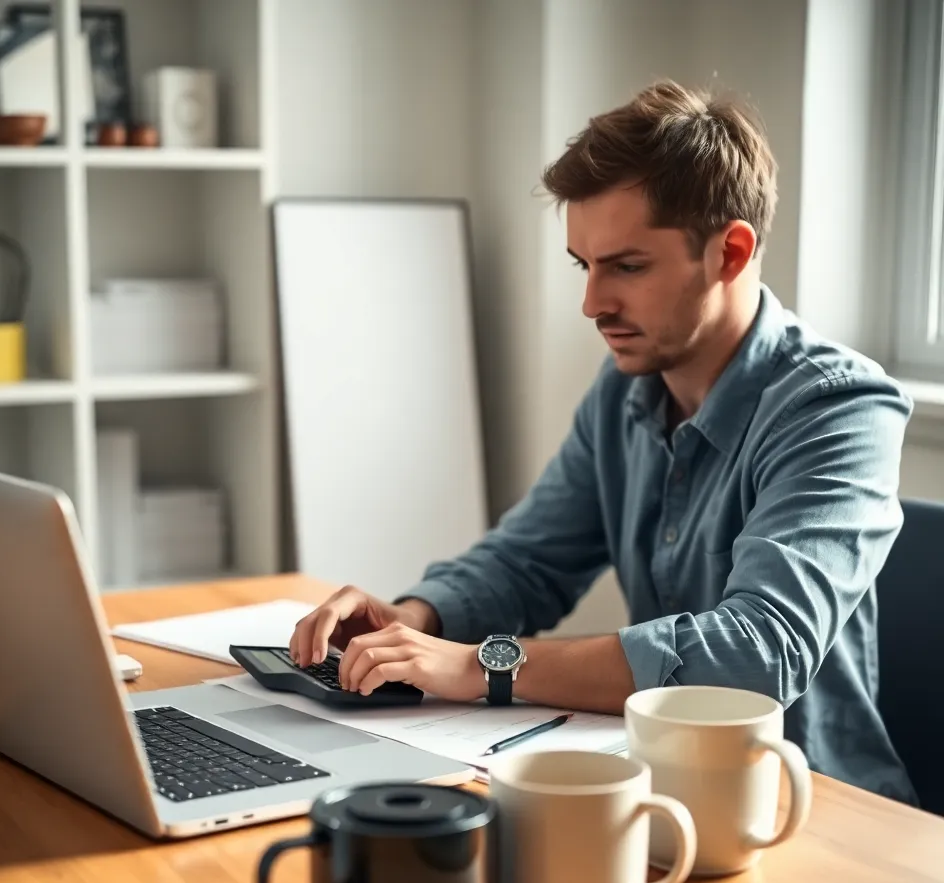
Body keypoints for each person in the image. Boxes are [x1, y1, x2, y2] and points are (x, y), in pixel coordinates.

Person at [289, 80, 916, 803]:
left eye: (627, 266)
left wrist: (483, 664)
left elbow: (755, 654)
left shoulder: (838, 407)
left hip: (814, 811)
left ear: (731, 253)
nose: (593, 304)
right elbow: (527, 561)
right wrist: (413, 622)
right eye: (583, 266)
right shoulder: (625, 388)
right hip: (660, 791)